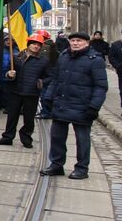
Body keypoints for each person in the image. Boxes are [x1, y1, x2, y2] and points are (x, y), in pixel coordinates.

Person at [40, 31, 107, 179]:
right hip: (62, 103)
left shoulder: (95, 60)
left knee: (82, 139)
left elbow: (101, 86)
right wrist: (49, 98)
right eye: (73, 40)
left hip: (82, 106)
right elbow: (56, 79)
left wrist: (94, 106)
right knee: (57, 137)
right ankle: (57, 165)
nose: (75, 43)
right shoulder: (63, 57)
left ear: (87, 43)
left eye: (79, 41)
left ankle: (82, 168)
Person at [0, 32, 52, 149]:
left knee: (29, 118)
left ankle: (26, 138)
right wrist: (9, 75)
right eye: (34, 44)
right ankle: (8, 137)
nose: (36, 46)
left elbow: (50, 76)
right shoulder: (17, 57)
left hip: (32, 93)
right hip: (15, 91)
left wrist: (41, 82)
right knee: (12, 116)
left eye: (38, 45)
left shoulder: (44, 60)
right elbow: (7, 72)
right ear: (28, 44)